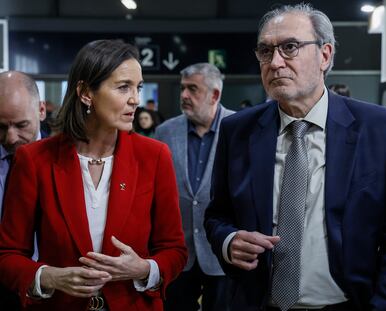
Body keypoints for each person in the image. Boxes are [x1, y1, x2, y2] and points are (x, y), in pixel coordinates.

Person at [204, 4, 386, 311]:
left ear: (325, 55)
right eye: (265, 51)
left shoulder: (381, 129)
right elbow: (216, 215)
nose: (275, 62)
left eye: (289, 47)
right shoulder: (238, 130)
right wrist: (228, 240)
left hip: (348, 302)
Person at [0, 39, 187, 311]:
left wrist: (145, 269)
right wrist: (48, 276)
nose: (135, 99)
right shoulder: (34, 159)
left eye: (138, 87)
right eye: (124, 87)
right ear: (86, 93)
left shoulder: (155, 156)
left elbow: (175, 251)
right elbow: (8, 255)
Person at [154, 63, 234, 311]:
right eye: (182, 89)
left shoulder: (240, 127)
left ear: (215, 95)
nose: (184, 95)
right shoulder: (165, 131)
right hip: (179, 253)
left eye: (193, 89)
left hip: (222, 253)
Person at [0, 71, 47, 310]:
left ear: (41, 110)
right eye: (0, 126)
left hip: (49, 290)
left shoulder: (65, 161)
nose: (10, 137)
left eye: (21, 125)